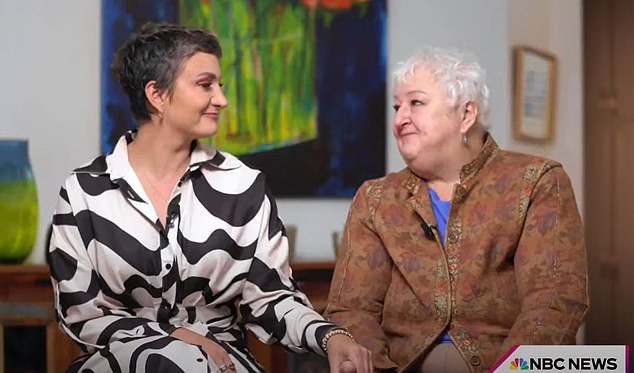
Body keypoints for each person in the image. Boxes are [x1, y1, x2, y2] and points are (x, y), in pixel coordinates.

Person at [47, 22, 372, 373]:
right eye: (205, 85)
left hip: (222, 364)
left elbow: (271, 299)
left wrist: (330, 335)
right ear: (157, 95)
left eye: (220, 85)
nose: (222, 99)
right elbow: (80, 314)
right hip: (117, 362)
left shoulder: (244, 186)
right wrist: (173, 339)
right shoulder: (84, 191)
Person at [324, 47, 589, 373]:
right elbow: (353, 309)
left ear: (466, 115)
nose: (398, 119)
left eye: (415, 103)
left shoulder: (536, 182)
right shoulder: (376, 198)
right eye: (396, 106)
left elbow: (554, 300)